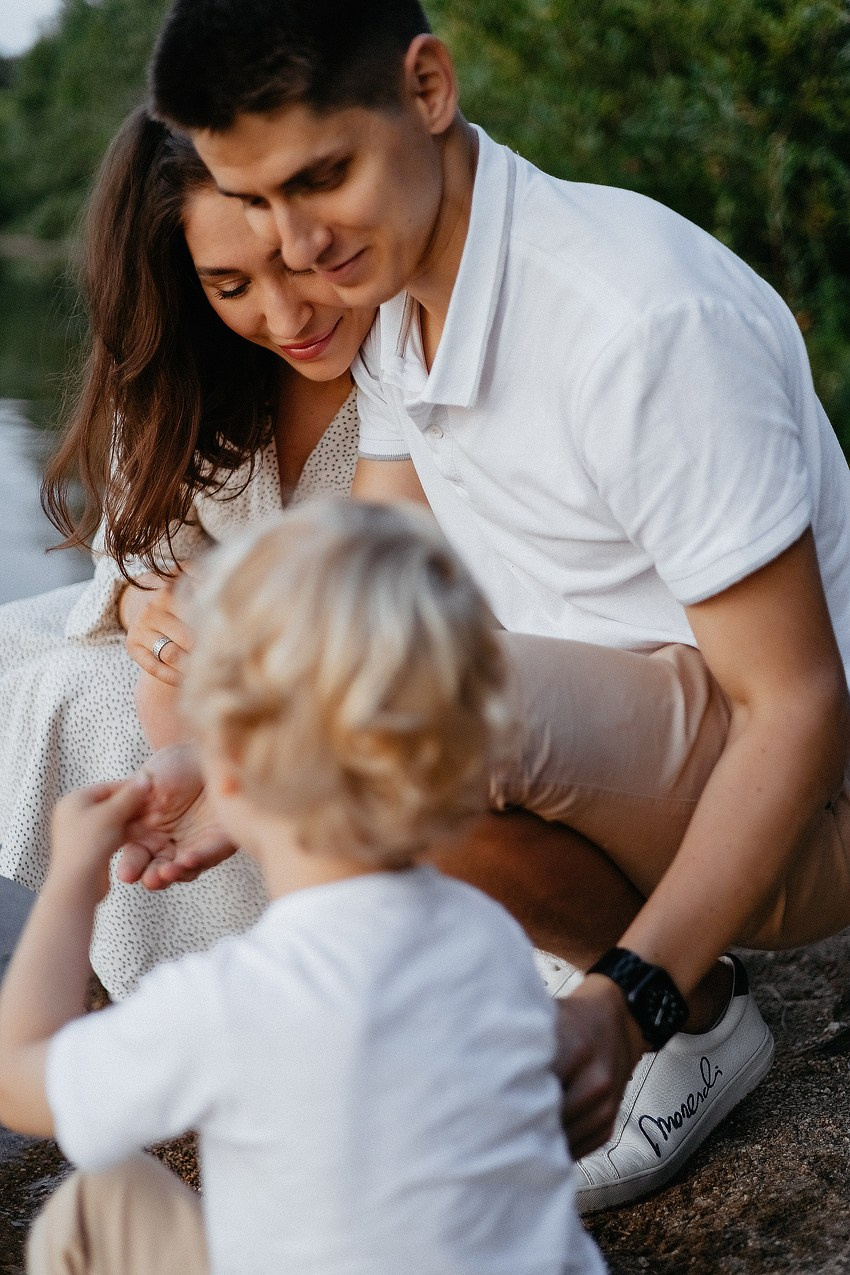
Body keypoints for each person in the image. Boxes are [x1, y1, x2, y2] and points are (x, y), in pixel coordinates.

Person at [147, 0, 850, 1211]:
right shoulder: (403, 304)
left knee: (405, 698)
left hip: (805, 810)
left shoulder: (633, 321)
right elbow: (369, 567)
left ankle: (670, 1017)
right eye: (256, 202)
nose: (298, 247)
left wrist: (620, 1008)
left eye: (323, 176)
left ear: (428, 89)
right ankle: (683, 1006)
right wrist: (229, 749)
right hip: (631, 768)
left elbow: (795, 702)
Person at [0, 500, 606, 1275]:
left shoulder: (233, 1001)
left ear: (226, 768)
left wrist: (74, 875)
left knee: (92, 1208)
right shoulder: (487, 940)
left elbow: (21, 1078)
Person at [0, 106, 377, 999]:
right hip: (211, 648)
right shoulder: (189, 370)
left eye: (292, 264)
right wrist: (156, 603)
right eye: (229, 282)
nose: (285, 313)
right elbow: (129, 554)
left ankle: (215, 984)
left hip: (346, 662)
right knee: (14, 640)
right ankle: (87, 952)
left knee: (84, 692)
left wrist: (218, 636)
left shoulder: (403, 359)